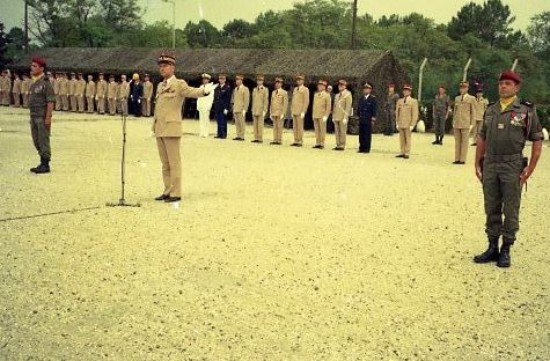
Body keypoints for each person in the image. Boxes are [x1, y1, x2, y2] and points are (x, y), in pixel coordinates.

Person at [473, 70, 543, 268]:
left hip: (512, 165)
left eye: (508, 84)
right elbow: (482, 138)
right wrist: (477, 163)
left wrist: (530, 168)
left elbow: (538, 139)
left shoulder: (526, 110)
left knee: (510, 208)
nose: (503, 86)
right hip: (491, 163)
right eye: (501, 83)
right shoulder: (491, 109)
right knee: (491, 206)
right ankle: (492, 246)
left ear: (517, 87)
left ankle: (506, 249)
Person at [152, 52, 210, 203]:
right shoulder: (160, 85)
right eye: (160, 66)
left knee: (174, 162)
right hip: (159, 127)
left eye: (165, 66)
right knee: (165, 163)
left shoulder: (179, 84)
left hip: (171, 128)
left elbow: (191, 91)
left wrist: (204, 91)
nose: (162, 69)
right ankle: (167, 190)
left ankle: (176, 192)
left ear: (172, 67)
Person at [28, 56, 55, 174]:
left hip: (41, 116)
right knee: (36, 140)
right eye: (32, 65)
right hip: (33, 116)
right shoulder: (34, 82)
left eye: (35, 66)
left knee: (43, 140)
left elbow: (50, 101)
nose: (32, 67)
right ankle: (42, 161)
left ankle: (45, 164)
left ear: (41, 68)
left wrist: (48, 118)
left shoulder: (46, 83)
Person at [452, 81, 476, 164]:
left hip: (466, 122)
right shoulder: (457, 98)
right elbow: (455, 110)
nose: (462, 89)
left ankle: (462, 159)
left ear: (467, 88)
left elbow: (473, 111)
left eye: (464, 88)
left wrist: (472, 124)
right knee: (457, 141)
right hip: (457, 122)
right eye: (461, 88)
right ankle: (457, 158)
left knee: (464, 142)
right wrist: (453, 121)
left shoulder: (471, 98)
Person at [395, 84, 419, 159]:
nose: (405, 92)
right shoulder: (400, 101)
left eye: (407, 90)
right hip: (401, 122)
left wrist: (413, 124)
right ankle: (402, 152)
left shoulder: (413, 101)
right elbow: (397, 112)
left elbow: (415, 113)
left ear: (410, 92)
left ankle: (407, 152)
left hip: (408, 123)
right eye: (404, 90)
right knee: (401, 139)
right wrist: (397, 122)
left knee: (407, 138)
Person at [332, 79, 353, 151]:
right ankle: (338, 144)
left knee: (343, 131)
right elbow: (334, 106)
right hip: (337, 115)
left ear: (345, 86)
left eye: (342, 85)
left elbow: (348, 106)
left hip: (343, 116)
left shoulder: (348, 94)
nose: (340, 86)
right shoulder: (337, 95)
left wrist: (346, 117)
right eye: (339, 85)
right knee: (337, 131)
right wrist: (333, 116)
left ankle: (342, 145)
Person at [290, 74, 310, 147]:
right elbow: (293, 101)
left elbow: (306, 101)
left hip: (300, 111)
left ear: (303, 81)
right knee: (295, 127)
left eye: (300, 80)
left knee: (300, 127)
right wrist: (292, 110)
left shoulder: (305, 89)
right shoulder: (295, 89)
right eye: (297, 80)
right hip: (294, 110)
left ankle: (300, 141)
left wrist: (303, 111)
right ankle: (295, 140)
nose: (298, 81)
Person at [357, 81, 377, 153]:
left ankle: (366, 148)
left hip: (368, 119)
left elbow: (374, 109)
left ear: (370, 90)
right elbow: (359, 108)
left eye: (367, 88)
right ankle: (361, 147)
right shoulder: (361, 98)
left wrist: (373, 118)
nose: (365, 90)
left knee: (367, 134)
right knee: (361, 134)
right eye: (364, 88)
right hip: (362, 118)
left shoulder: (372, 99)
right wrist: (358, 117)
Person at [311, 79, 331, 149]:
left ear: (324, 87)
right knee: (316, 130)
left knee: (322, 130)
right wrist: (313, 114)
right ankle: (318, 142)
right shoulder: (316, 94)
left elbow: (328, 107)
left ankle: (322, 143)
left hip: (322, 115)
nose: (319, 87)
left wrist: (326, 115)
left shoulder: (327, 95)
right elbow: (314, 105)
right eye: (319, 85)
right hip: (316, 114)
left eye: (321, 85)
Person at [269, 77, 288, 145]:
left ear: (281, 84)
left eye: (279, 83)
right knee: (274, 126)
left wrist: (283, 113)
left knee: (279, 126)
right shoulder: (273, 92)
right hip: (274, 111)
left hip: (280, 112)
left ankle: (279, 140)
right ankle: (275, 139)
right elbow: (271, 102)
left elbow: (285, 103)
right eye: (276, 83)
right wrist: (270, 112)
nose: (277, 84)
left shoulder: (284, 93)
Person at [231, 74, 250, 141]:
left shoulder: (245, 89)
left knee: (242, 123)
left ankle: (242, 136)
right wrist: (233, 108)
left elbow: (246, 100)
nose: (237, 81)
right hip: (236, 108)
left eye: (238, 80)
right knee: (237, 123)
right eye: (236, 80)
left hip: (241, 109)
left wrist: (245, 109)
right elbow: (234, 100)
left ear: (241, 80)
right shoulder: (235, 89)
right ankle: (238, 135)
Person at [251, 75, 269, 143]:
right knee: (255, 124)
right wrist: (252, 108)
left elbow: (266, 100)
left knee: (260, 124)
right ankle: (256, 137)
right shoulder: (254, 89)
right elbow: (253, 100)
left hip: (261, 109)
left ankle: (260, 138)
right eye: (258, 80)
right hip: (255, 109)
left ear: (263, 81)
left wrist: (265, 110)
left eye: (260, 80)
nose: (259, 82)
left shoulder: (265, 89)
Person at [213, 73, 232, 139]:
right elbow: (215, 97)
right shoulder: (217, 87)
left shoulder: (227, 87)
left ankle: (224, 134)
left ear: (225, 80)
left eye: (222, 79)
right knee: (218, 121)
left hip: (223, 107)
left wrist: (227, 108)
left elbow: (228, 99)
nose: (221, 80)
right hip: (218, 107)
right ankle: (219, 134)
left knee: (223, 121)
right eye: (220, 79)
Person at [197, 73, 215, 137]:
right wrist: (198, 105)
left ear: (208, 80)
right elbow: (198, 97)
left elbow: (211, 98)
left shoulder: (210, 87)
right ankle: (201, 132)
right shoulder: (201, 87)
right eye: (203, 79)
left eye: (206, 79)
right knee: (201, 119)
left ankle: (206, 132)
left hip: (206, 105)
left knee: (206, 119)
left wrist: (209, 106)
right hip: (201, 104)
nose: (204, 80)